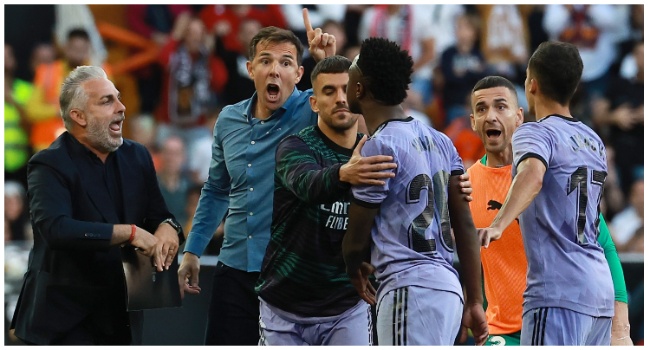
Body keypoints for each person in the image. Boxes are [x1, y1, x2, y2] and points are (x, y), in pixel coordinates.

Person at [177, 10, 395, 345]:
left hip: (288, 274)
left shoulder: (310, 109)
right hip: (234, 267)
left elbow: (344, 100)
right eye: (265, 60)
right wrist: (192, 249)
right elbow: (217, 190)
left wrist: (330, 59)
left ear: (298, 74)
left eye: (286, 62)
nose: (274, 69)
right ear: (250, 69)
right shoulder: (227, 120)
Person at [10, 66, 184, 345]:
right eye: (107, 101)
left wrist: (169, 229)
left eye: (118, 97)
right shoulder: (49, 163)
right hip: (63, 321)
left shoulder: (137, 155)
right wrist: (130, 233)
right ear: (78, 116)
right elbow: (56, 229)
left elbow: (160, 216)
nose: (122, 107)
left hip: (121, 316)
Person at [341, 37, 488, 346]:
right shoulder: (441, 140)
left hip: (408, 287)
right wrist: (474, 300)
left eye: (351, 71)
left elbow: (355, 240)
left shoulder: (379, 145)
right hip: (448, 287)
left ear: (359, 89)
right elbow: (464, 224)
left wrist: (353, 264)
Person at [467, 75, 632, 345]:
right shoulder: (467, 185)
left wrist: (621, 327)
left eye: (500, 106)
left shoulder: (553, 173)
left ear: (519, 116)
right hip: (502, 331)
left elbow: (604, 244)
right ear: (473, 121)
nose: (490, 116)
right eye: (481, 109)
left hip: (561, 316)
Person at [255, 55, 392, 345]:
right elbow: (307, 185)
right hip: (285, 306)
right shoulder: (295, 146)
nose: (340, 99)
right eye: (329, 91)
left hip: (346, 307)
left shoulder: (378, 153)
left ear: (358, 97)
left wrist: (451, 181)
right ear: (314, 103)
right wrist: (345, 174)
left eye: (346, 90)